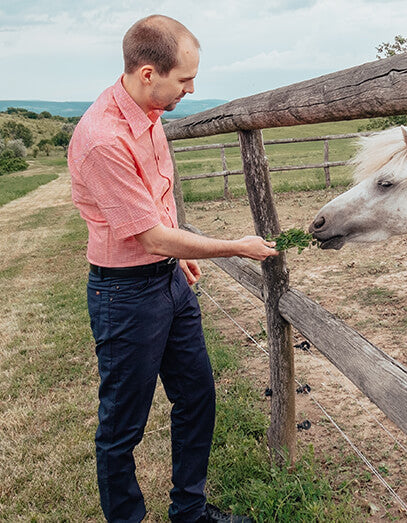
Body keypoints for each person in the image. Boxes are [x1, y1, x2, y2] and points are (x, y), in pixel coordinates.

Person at [67, 14, 277, 523]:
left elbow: (158, 205)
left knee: (197, 396)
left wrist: (179, 253)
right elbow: (148, 234)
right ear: (147, 72)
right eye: (184, 79)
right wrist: (232, 247)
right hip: (125, 295)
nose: (190, 89)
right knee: (122, 425)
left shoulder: (151, 114)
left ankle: (190, 512)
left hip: (168, 281)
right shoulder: (103, 139)